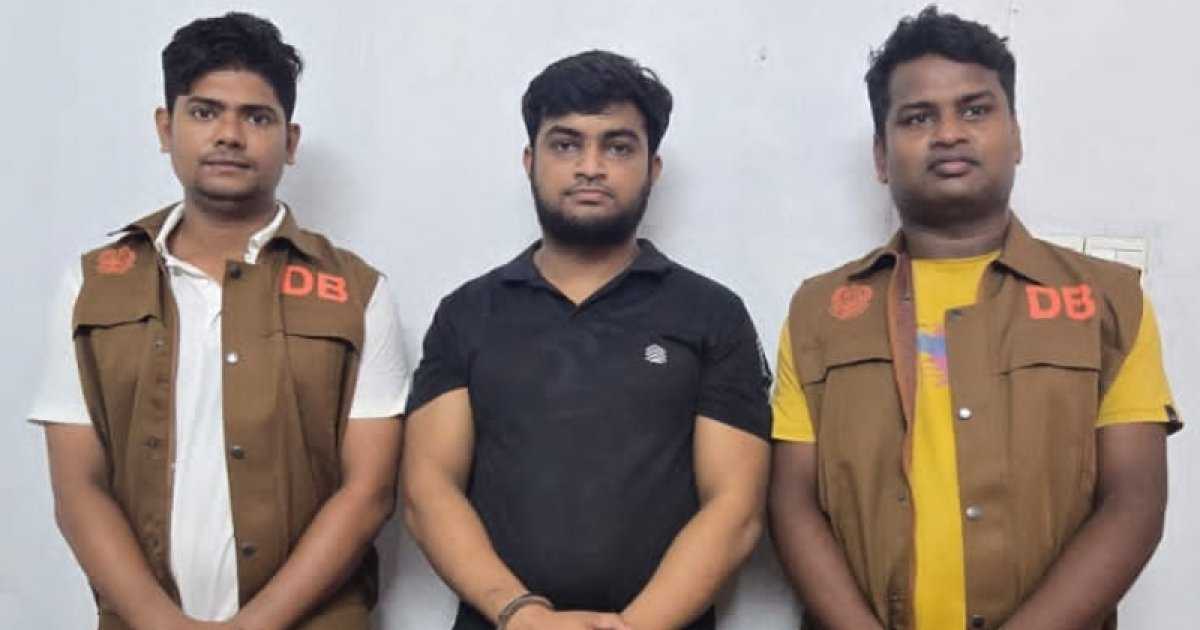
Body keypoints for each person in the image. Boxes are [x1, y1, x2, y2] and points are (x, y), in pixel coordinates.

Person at [768, 6, 1181, 629]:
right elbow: (793, 502)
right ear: (881, 155)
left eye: (975, 110)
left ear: (1016, 136)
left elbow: (1134, 502)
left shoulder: (1107, 302)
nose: (948, 134)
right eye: (918, 117)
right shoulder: (820, 312)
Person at [29, 12, 409, 629]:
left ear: (290, 141)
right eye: (205, 112)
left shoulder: (356, 292)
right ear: (166, 127)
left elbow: (368, 493)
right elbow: (78, 491)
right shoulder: (92, 284)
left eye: (257, 118)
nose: (230, 135)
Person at [402, 50, 772, 630]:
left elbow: (736, 509)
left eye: (618, 147)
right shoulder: (468, 313)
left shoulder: (711, 313)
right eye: (566, 144)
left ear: (652, 168)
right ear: (530, 161)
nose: (591, 167)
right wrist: (520, 614)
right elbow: (429, 490)